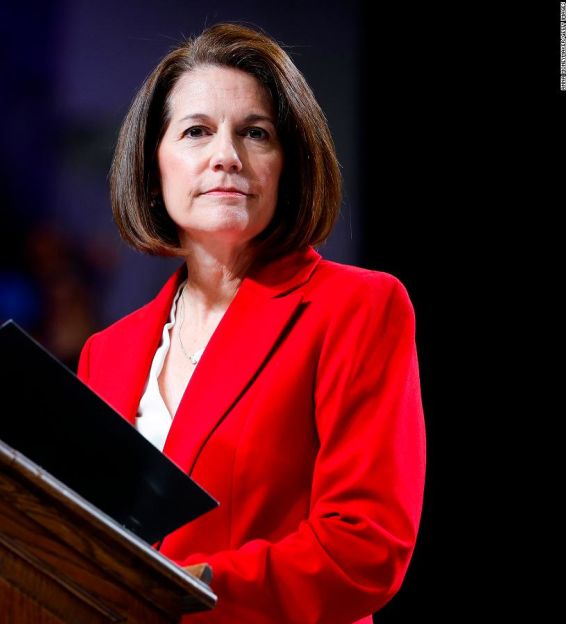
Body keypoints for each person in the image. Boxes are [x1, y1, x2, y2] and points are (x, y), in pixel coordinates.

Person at [76, 23, 426, 624]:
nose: (226, 156)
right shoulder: (106, 352)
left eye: (255, 133)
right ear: (153, 164)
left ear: (287, 162)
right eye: (196, 132)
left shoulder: (357, 308)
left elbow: (365, 547)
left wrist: (201, 583)